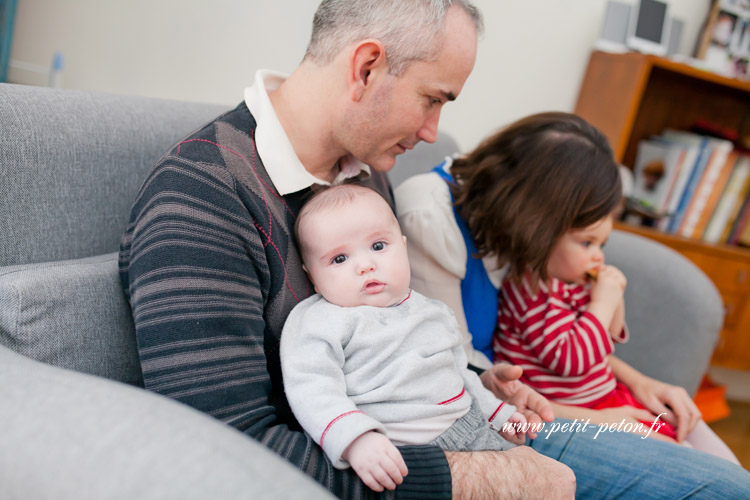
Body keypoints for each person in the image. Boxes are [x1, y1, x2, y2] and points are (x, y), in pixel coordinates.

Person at [118, 0, 749, 496]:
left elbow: (399, 324)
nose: (432, 133)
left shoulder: (362, 172)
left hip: (475, 417)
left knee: (717, 483)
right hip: (396, 463)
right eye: (433, 99)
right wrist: (501, 481)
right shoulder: (199, 202)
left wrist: (480, 377)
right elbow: (230, 451)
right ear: (366, 67)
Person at [396, 111, 749, 484]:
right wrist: (597, 419)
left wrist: (641, 382)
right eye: (584, 238)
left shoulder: (540, 262)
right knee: (713, 478)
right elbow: (468, 373)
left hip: (581, 398)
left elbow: (591, 344)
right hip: (532, 409)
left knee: (704, 445)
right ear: (542, 220)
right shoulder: (437, 224)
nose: (595, 253)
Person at [281, 184, 528, 493]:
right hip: (401, 449)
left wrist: (497, 412)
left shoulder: (432, 311)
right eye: (340, 259)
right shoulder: (320, 321)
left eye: (379, 246)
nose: (365, 265)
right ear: (311, 276)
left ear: (403, 245)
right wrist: (356, 439)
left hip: (472, 425)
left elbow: (458, 372)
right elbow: (311, 388)